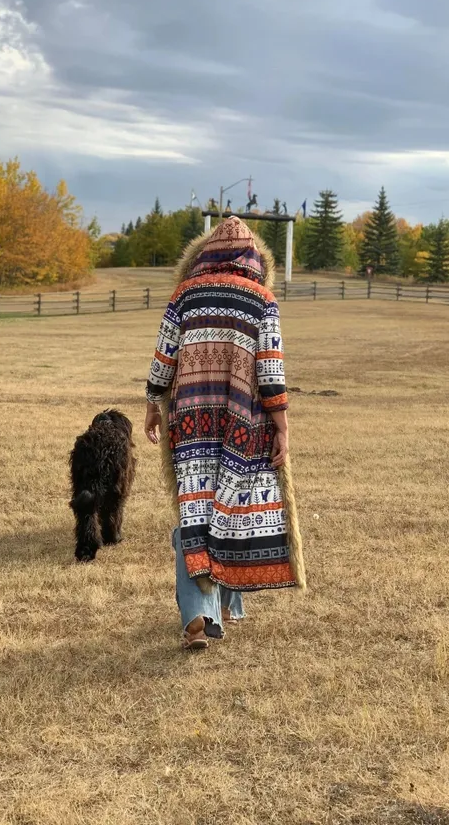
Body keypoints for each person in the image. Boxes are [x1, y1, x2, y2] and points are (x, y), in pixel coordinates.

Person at [145, 216, 305, 651]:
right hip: (242, 420)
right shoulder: (262, 299)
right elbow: (270, 369)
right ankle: (221, 607)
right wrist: (282, 427)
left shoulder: (186, 295)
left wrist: (151, 404)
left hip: (190, 419)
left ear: (205, 253)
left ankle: (203, 612)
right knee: (231, 508)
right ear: (254, 258)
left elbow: (164, 355)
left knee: (194, 509)